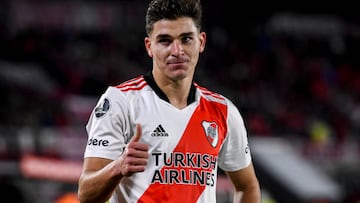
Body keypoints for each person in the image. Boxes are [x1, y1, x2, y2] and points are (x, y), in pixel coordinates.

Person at [77, 0, 261, 202]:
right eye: (165, 40)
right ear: (149, 46)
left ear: (201, 42)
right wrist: (118, 167)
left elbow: (247, 186)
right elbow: (86, 195)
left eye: (186, 39)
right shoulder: (120, 102)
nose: (177, 51)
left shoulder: (223, 111)